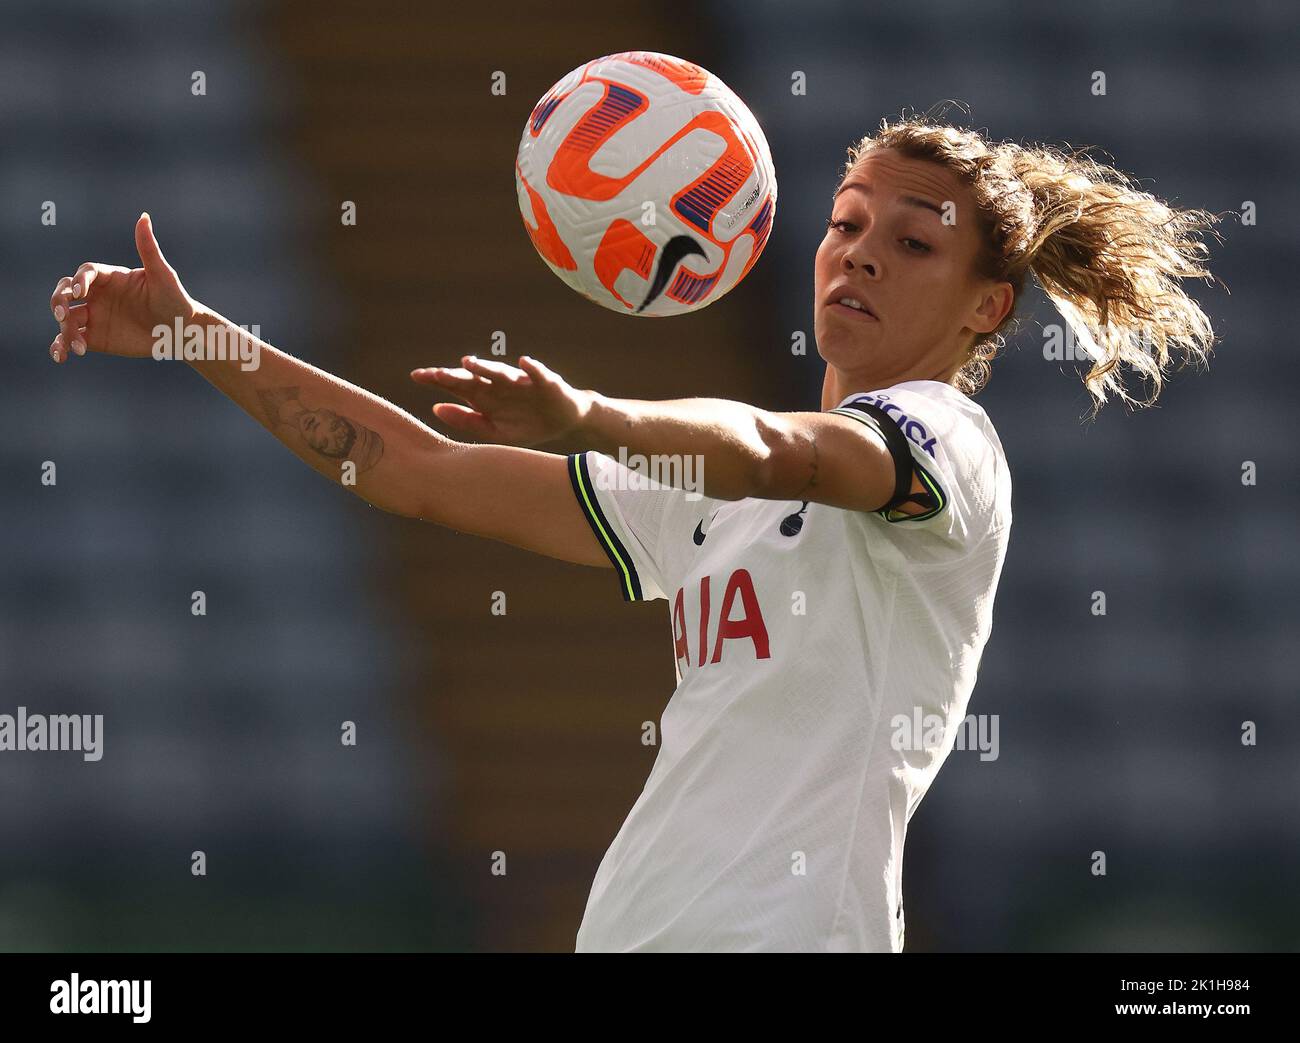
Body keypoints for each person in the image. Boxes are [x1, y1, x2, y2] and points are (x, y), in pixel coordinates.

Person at [46, 115, 1220, 952]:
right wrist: (197, 337)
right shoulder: (706, 494)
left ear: (984, 307)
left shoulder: (944, 441)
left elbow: (784, 450)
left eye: (912, 241)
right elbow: (413, 470)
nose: (857, 249)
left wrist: (594, 417)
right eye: (845, 221)